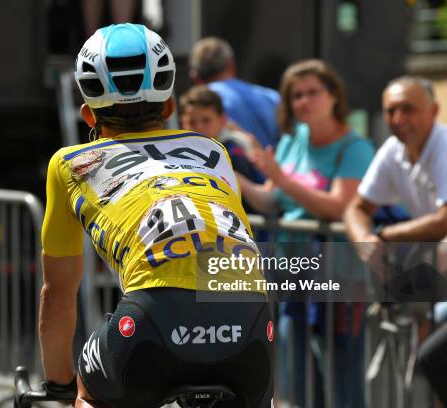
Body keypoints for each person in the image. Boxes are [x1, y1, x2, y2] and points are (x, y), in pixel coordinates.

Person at [39, 23, 274, 408]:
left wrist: (58, 385)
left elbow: (57, 294)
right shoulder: (211, 149)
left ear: (87, 114)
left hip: (152, 319)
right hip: (248, 319)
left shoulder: (70, 163)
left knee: (88, 391)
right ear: (169, 107)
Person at [238, 59, 375, 408]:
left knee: (342, 381)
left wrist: (282, 181)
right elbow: (271, 201)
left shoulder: (354, 147)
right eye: (296, 95)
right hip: (294, 275)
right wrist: (232, 176)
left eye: (313, 91)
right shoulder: (292, 140)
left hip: (339, 280)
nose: (304, 101)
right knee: (297, 382)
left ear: (333, 96)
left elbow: (340, 206)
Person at [344, 76, 447, 406]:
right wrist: (365, 243)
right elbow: (356, 208)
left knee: (431, 357)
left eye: (408, 109)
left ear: (434, 110)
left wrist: (385, 235)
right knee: (430, 360)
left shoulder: (443, 147)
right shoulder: (394, 150)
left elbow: (444, 221)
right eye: (391, 111)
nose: (399, 119)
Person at [188, 36, 281, 148]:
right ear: (231, 65)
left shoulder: (200, 106)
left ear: (195, 77)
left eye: (206, 121)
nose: (198, 126)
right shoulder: (272, 97)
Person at [179, 84, 263, 184]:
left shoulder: (233, 151)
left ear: (222, 119)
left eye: (206, 120)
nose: (198, 128)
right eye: (191, 122)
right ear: (182, 123)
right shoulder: (179, 152)